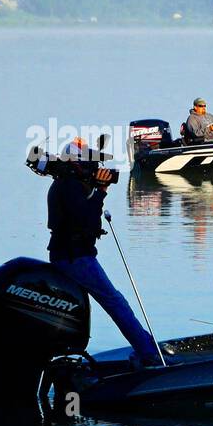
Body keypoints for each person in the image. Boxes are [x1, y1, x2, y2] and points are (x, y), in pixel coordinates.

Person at [47, 138, 162, 367]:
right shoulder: (69, 185)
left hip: (74, 255)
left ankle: (147, 347)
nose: (95, 167)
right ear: (77, 162)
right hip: (75, 257)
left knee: (115, 301)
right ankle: (149, 354)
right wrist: (100, 191)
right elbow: (85, 218)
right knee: (115, 302)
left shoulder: (69, 182)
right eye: (89, 161)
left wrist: (96, 189)